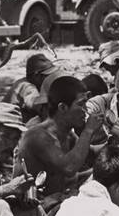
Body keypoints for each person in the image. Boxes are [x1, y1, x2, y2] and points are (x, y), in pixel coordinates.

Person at [17, 75, 106, 209]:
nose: (85, 111)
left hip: (58, 202)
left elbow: (91, 154)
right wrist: (88, 131)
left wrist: (116, 137)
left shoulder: (67, 134)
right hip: (35, 208)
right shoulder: (38, 135)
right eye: (81, 104)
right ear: (62, 107)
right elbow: (69, 167)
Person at [4, 51, 55, 120]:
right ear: (36, 76)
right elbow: (36, 103)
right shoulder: (26, 87)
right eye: (48, 75)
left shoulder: (36, 84)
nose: (52, 77)